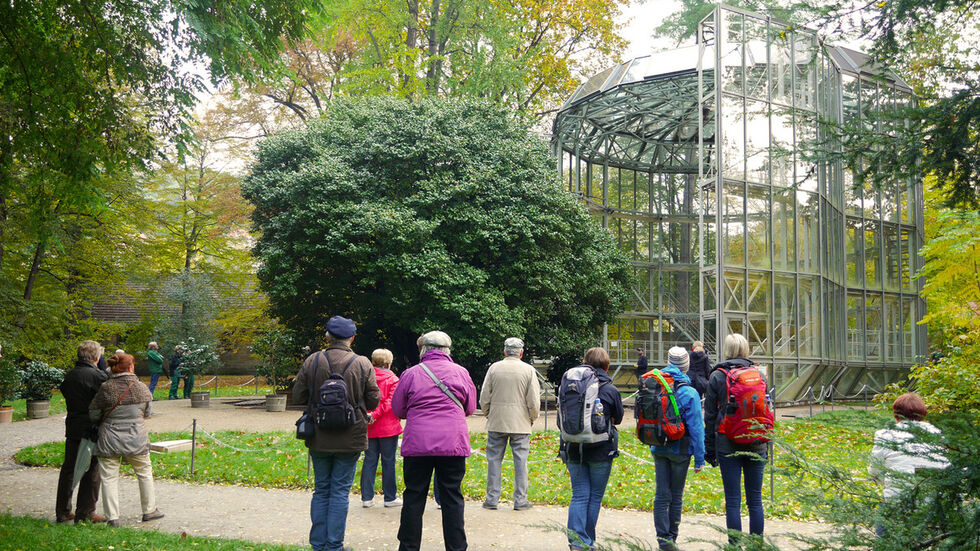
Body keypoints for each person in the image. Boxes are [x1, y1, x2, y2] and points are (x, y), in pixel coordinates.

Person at [292, 316, 380, 551]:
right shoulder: (362, 363)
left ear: (327, 337)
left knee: (321, 490)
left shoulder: (313, 360)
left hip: (318, 435)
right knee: (340, 491)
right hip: (350, 437)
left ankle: (318, 544)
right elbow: (373, 400)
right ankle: (334, 546)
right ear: (352, 338)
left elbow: (298, 396)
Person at [392, 331, 477, 551]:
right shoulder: (461, 373)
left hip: (418, 445)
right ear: (448, 351)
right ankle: (457, 547)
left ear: (423, 350)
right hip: (452, 444)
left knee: (413, 496)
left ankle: (409, 547)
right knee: (452, 497)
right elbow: (469, 408)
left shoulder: (410, 374)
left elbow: (398, 409)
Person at [704, 333, 767, 543]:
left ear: (727, 350)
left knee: (733, 501)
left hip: (727, 442)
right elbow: (766, 411)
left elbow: (711, 416)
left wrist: (710, 449)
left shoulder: (718, 376)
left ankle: (734, 545)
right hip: (757, 442)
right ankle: (757, 545)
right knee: (755, 501)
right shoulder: (759, 374)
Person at [89, 353, 164, 527]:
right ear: (131, 367)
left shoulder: (106, 388)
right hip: (136, 438)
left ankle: (112, 517)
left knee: (108, 478)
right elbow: (147, 413)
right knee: (144, 472)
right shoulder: (141, 388)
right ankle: (149, 510)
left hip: (108, 439)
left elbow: (93, 415)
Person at [560, 347, 624, 551]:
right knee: (594, 497)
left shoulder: (570, 386)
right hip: (601, 450)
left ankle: (577, 542)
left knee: (579, 495)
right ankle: (587, 541)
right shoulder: (610, 389)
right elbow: (619, 418)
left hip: (573, 447)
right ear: (607, 366)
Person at [649, 347, 705, 551]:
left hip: (658, 447)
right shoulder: (689, 392)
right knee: (676, 495)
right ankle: (672, 538)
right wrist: (700, 458)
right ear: (686, 366)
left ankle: (662, 540)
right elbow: (697, 428)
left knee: (661, 494)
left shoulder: (656, 385)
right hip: (680, 450)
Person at [479, 337, 540, 511]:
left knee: (493, 460)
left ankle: (492, 498)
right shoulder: (528, 370)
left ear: (505, 351)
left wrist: (488, 413)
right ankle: (520, 500)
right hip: (520, 422)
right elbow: (534, 400)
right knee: (521, 462)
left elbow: (484, 396)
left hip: (497, 421)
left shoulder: (494, 368)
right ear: (521, 352)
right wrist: (532, 418)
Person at [55, 340, 109, 524]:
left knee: (69, 469)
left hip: (72, 426)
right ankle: (85, 512)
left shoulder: (70, 375)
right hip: (91, 428)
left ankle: (62, 511)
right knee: (91, 470)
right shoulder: (97, 376)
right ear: (96, 356)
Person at [869, 393, 949, 503]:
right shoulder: (938, 435)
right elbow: (946, 468)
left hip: (897, 499)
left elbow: (875, 470)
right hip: (933, 501)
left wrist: (889, 483)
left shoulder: (885, 435)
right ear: (923, 413)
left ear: (896, 414)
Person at [361, 348, 403, 508]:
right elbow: (391, 402)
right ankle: (390, 497)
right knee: (388, 461)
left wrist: (370, 415)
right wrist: (376, 414)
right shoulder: (393, 379)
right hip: (388, 427)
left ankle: (366, 497)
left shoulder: (365, 377)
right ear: (388, 363)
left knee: (369, 461)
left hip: (369, 425)